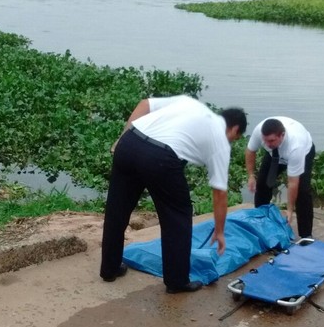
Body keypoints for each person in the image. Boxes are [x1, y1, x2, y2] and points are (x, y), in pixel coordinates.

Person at [100, 95, 247, 293]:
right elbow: (219, 193)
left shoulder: (190, 103)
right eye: (235, 139)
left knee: (117, 209)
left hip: (130, 141)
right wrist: (219, 231)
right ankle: (177, 281)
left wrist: (122, 139)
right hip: (160, 157)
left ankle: (109, 269)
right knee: (178, 215)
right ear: (235, 129)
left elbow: (145, 104)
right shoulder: (220, 139)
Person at [245, 117, 315, 239]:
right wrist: (251, 175)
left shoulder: (296, 146)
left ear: (282, 135)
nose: (267, 144)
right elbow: (251, 151)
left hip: (303, 153)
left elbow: (293, 183)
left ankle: (306, 236)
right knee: (262, 185)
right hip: (274, 154)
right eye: (265, 140)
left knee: (302, 192)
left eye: (271, 140)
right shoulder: (260, 132)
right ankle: (262, 223)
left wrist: (289, 209)